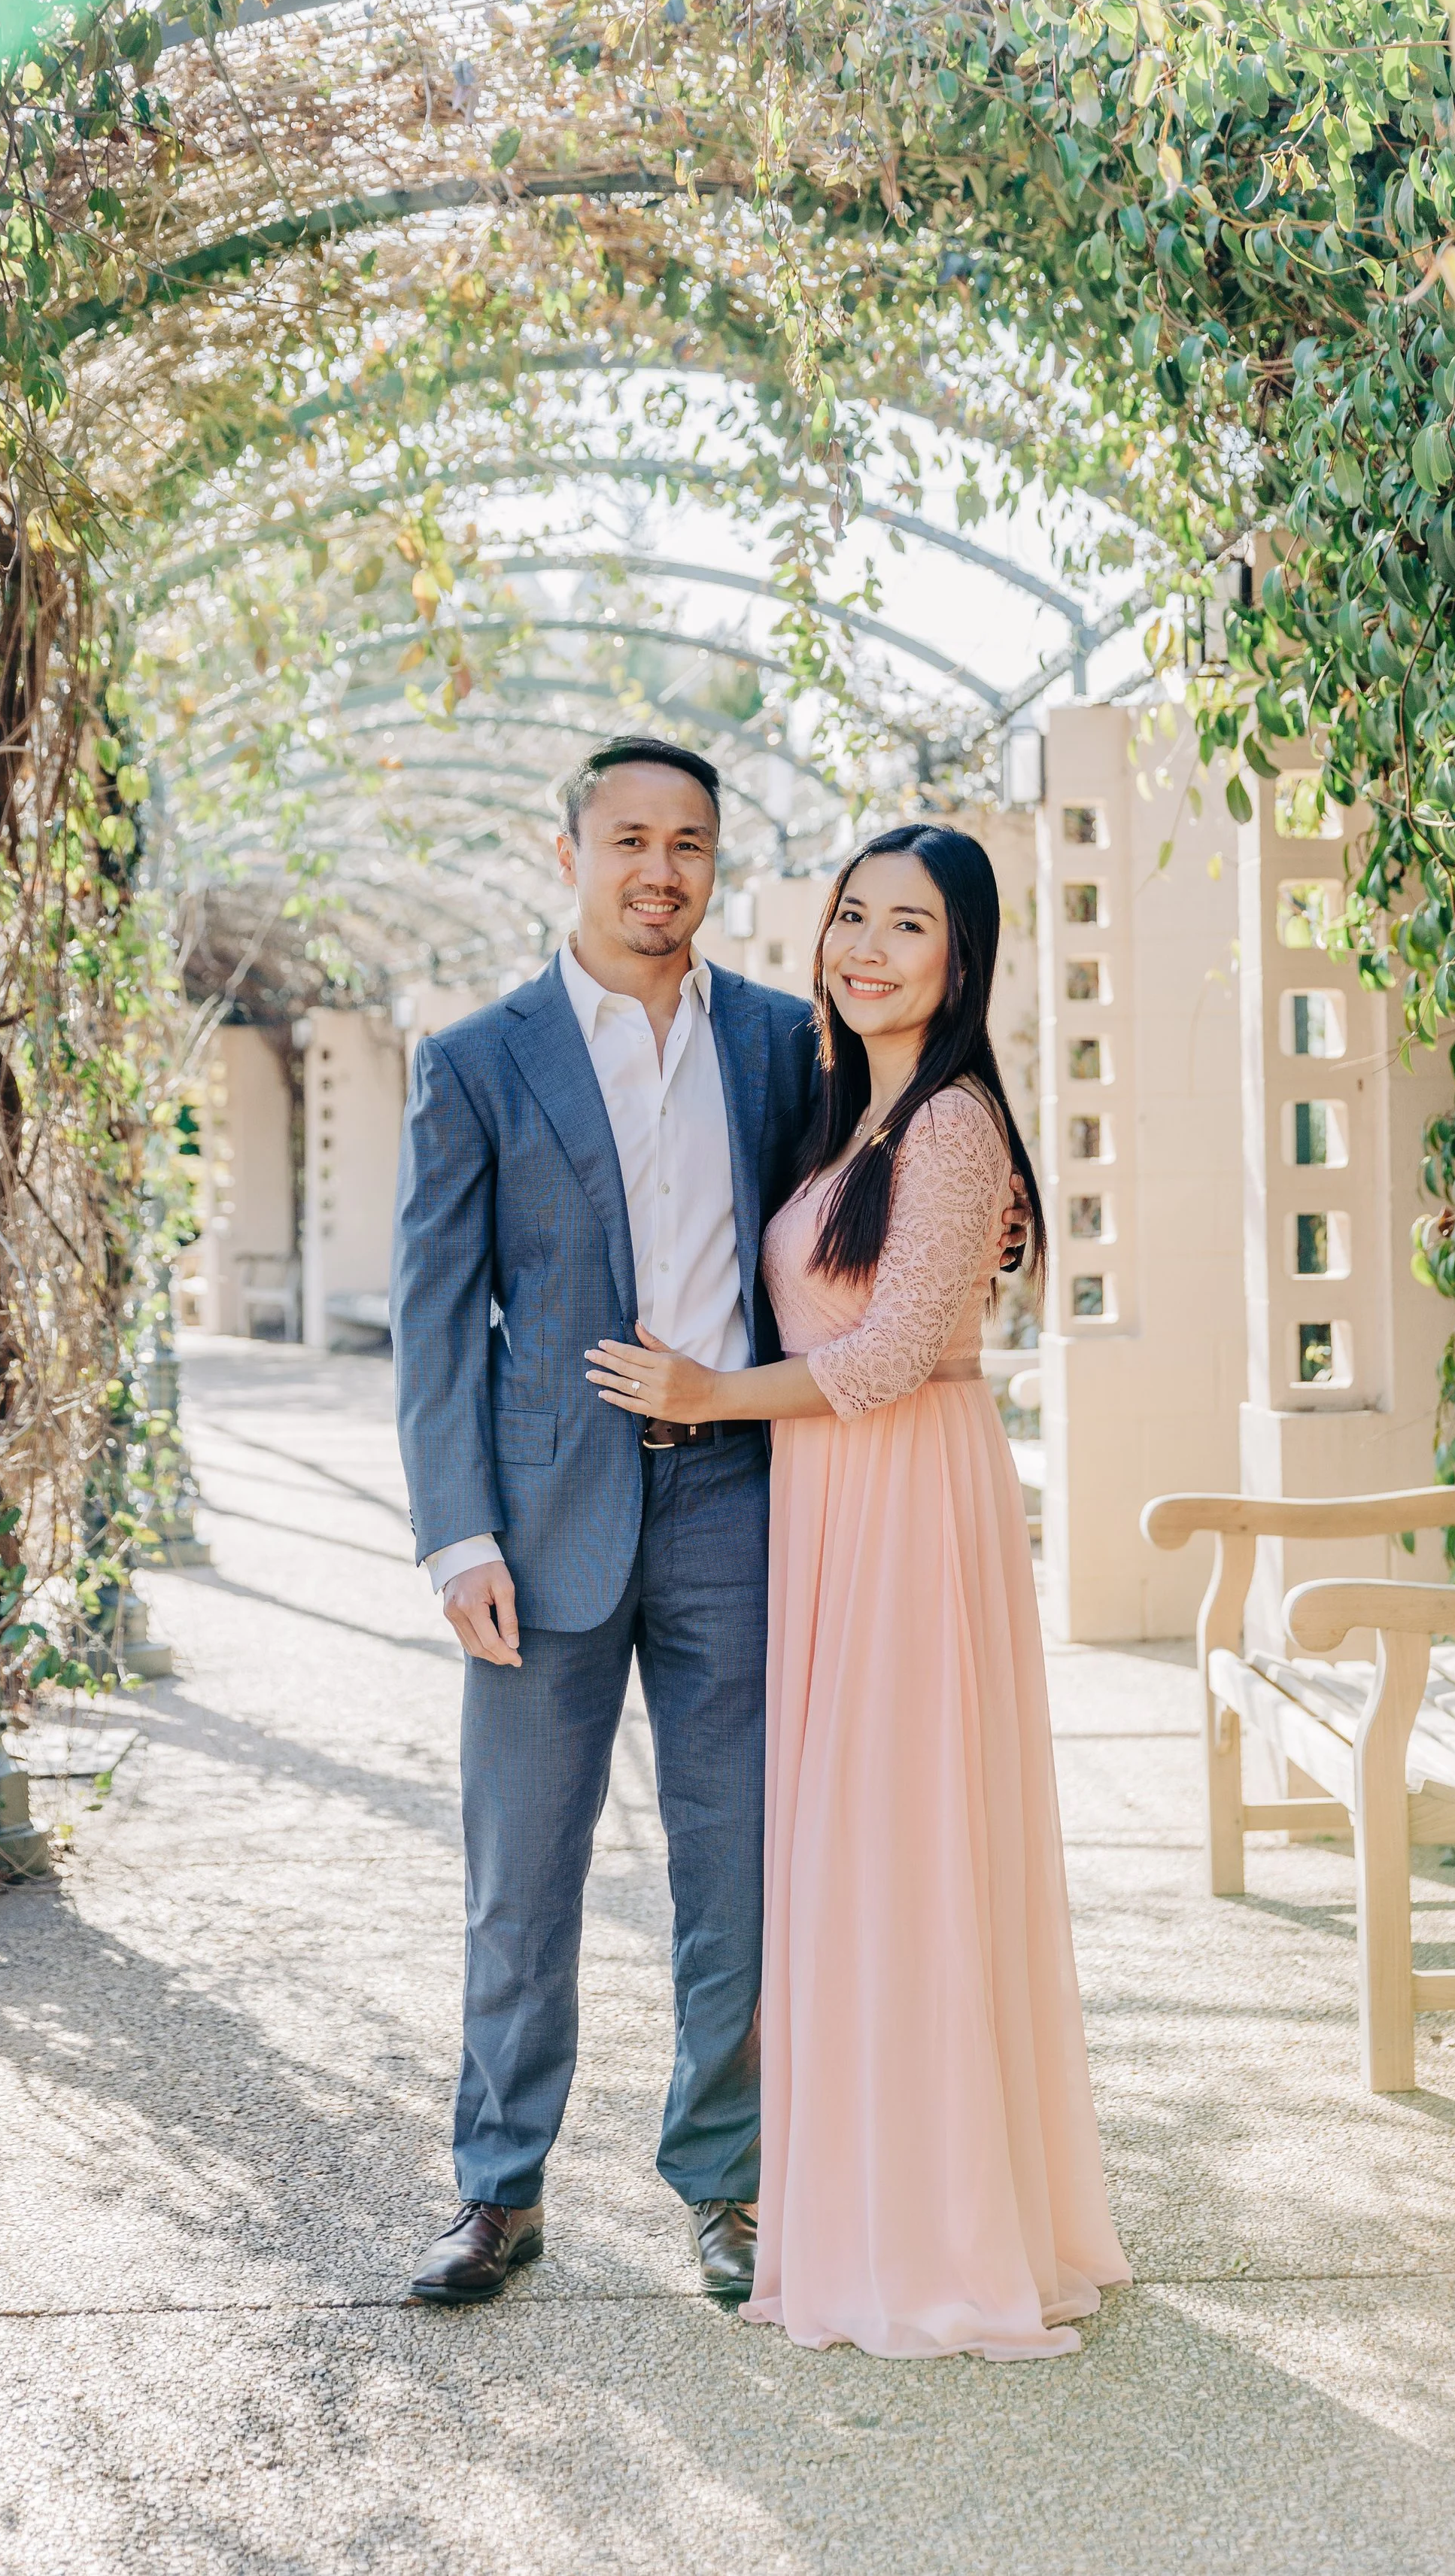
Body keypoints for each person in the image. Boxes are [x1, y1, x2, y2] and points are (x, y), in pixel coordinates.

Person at [588, 823, 1129, 2358]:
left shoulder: (949, 1125)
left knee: (904, 1856)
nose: (867, 949)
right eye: (850, 919)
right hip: (833, 1499)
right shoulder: (850, 1110)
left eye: (908, 926)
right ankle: (871, 2198)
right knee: (853, 1858)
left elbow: (890, 1357)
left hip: (900, 1504)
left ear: (962, 959)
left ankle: (933, 2233)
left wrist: (705, 1388)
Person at [389, 736, 816, 2307]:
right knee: (520, 1873)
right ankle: (496, 2193)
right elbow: (434, 1322)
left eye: (689, 843)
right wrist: (457, 1536)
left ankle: (726, 2185)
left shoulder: (782, 1043)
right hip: (538, 1518)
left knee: (740, 1870)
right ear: (561, 847)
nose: (660, 870)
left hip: (733, 1504)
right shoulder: (475, 1060)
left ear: (715, 865)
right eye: (630, 837)